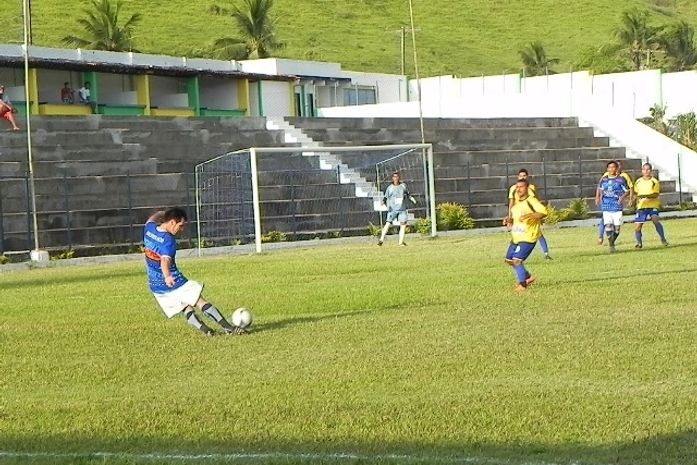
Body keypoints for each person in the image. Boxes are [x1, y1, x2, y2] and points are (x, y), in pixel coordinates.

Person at [143, 208, 244, 336]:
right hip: (174, 281)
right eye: (180, 225)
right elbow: (164, 261)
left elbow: (151, 219)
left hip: (156, 285)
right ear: (172, 222)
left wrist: (162, 213)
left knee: (185, 307)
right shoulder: (168, 241)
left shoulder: (149, 229)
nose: (182, 229)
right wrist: (167, 276)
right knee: (199, 301)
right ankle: (229, 328)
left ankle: (207, 331)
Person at [504, 179, 548, 292]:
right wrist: (509, 220)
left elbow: (543, 212)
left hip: (528, 237)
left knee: (516, 261)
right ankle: (528, 277)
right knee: (509, 260)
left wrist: (530, 215)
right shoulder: (516, 205)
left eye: (521, 187)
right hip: (516, 237)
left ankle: (522, 285)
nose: (518, 189)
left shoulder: (531, 201)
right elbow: (516, 220)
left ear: (527, 188)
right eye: (517, 187)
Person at [505, 168, 552, 259]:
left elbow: (536, 200)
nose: (522, 177)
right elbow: (511, 203)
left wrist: (537, 215)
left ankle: (546, 253)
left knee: (538, 234)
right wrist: (510, 217)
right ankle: (516, 254)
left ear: (527, 176)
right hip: (519, 215)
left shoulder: (531, 188)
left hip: (529, 214)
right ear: (518, 177)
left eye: (524, 176)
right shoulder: (513, 189)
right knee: (519, 234)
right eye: (520, 176)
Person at [595, 161, 629, 253]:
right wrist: (600, 197)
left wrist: (621, 198)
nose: (611, 169)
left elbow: (627, 190)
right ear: (607, 169)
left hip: (617, 206)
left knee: (617, 228)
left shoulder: (621, 180)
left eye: (613, 167)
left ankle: (612, 242)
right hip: (606, 205)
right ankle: (611, 245)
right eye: (610, 167)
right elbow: (600, 188)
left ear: (616, 168)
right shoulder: (604, 179)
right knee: (608, 225)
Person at [633, 162, 668, 248]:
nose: (646, 171)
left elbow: (655, 194)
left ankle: (663, 238)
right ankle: (639, 243)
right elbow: (636, 193)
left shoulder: (654, 181)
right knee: (638, 227)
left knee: (655, 219)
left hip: (653, 205)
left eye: (648, 169)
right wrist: (634, 200)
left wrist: (645, 196)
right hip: (642, 206)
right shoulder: (638, 181)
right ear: (642, 171)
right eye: (644, 169)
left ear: (651, 171)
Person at [377, 172, 416, 247]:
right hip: (393, 209)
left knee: (403, 225)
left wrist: (412, 199)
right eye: (394, 177)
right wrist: (384, 203)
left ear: (399, 178)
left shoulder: (403, 186)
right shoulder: (390, 188)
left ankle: (401, 242)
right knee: (388, 223)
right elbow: (385, 198)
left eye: (397, 177)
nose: (396, 178)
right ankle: (381, 239)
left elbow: (408, 194)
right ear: (392, 178)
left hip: (402, 209)